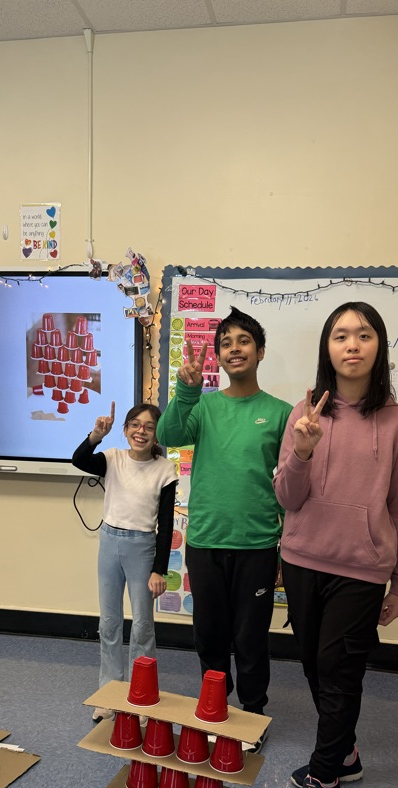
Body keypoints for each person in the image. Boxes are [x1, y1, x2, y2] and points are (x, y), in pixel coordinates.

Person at [274, 302, 398, 788]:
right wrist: (303, 453)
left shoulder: (396, 424)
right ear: (327, 348)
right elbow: (287, 498)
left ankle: (326, 779)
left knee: (338, 672)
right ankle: (346, 755)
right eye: (340, 336)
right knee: (313, 664)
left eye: (363, 335)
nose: (352, 345)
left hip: (362, 568)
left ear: (379, 346)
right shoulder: (305, 412)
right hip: (304, 559)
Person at [157, 307, 292, 750]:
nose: (234, 349)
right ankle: (215, 704)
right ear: (217, 356)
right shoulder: (205, 405)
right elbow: (170, 434)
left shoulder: (280, 413)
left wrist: (285, 548)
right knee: (209, 634)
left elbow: (295, 484)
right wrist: (186, 390)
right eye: (226, 343)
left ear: (260, 351)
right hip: (205, 539)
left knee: (250, 636)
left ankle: (251, 714)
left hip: (256, 543)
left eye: (244, 341)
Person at [72, 402, 177, 722]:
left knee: (143, 626)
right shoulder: (112, 458)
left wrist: (159, 568)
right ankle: (109, 693)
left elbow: (166, 524)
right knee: (110, 623)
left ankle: (142, 693)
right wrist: (95, 436)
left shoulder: (165, 470)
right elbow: (79, 461)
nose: (140, 432)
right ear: (125, 429)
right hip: (110, 542)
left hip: (142, 548)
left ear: (157, 434)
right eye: (134, 424)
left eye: (148, 427)